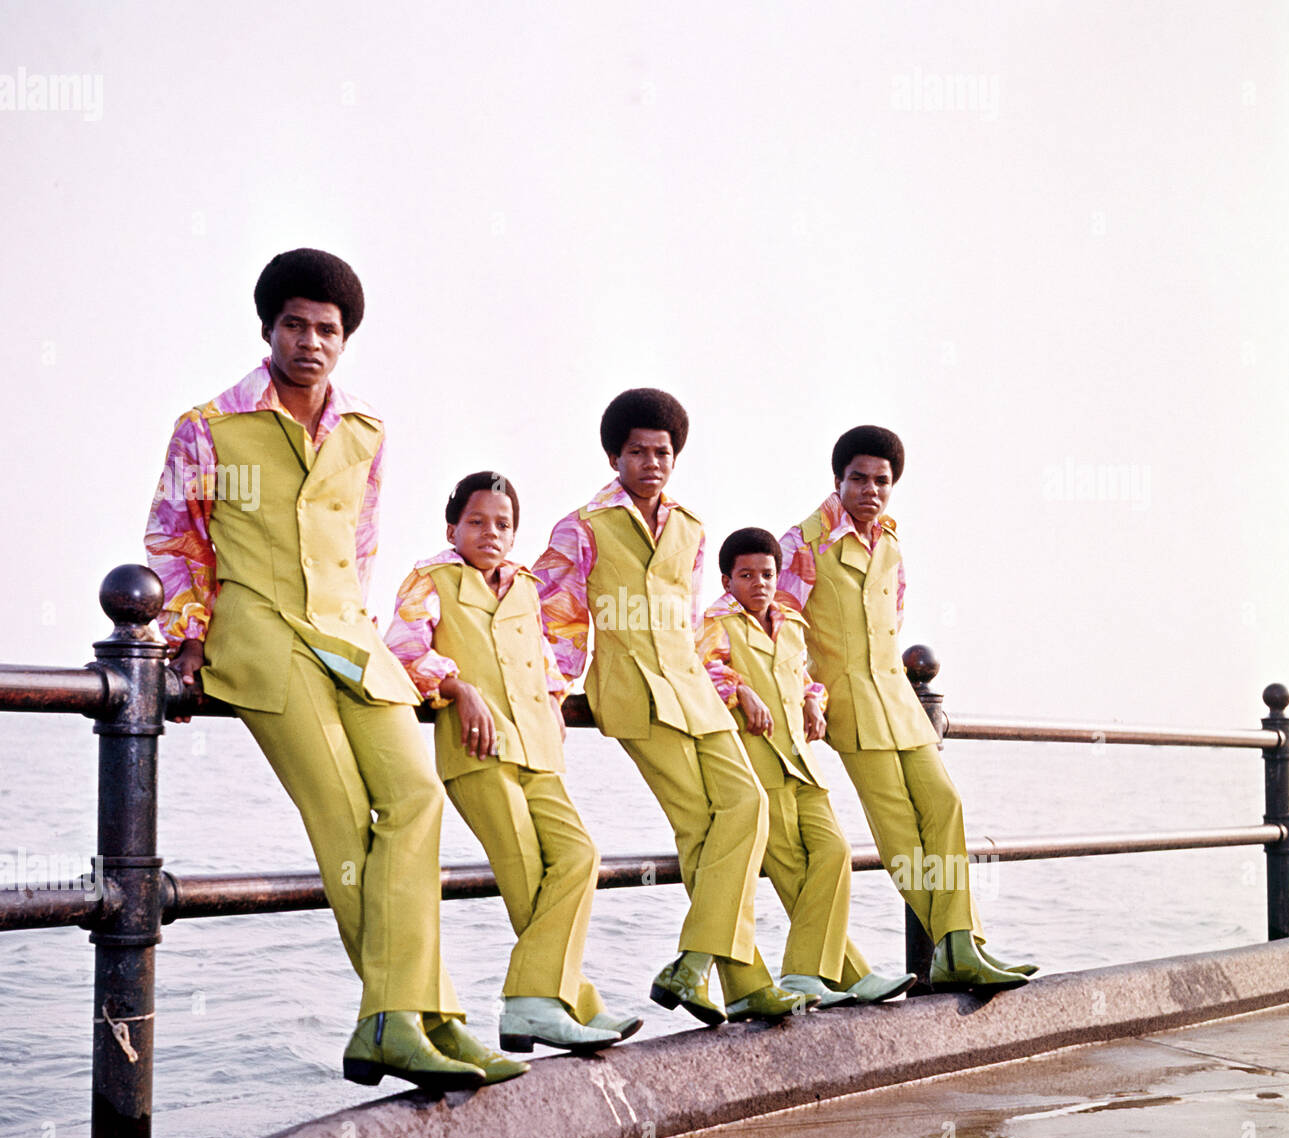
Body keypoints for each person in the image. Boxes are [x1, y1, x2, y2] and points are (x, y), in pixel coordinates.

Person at [144, 248, 525, 1092]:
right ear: (268, 329)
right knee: (349, 824)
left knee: (418, 798)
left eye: (327, 329)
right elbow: (175, 537)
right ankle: (421, 1018)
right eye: (295, 325)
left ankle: (401, 1019)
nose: (310, 341)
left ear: (345, 339)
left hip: (354, 641)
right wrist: (188, 632)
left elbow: (359, 542)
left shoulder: (365, 431)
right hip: (265, 639)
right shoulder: (210, 425)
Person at [533, 388, 809, 1025]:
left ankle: (692, 962)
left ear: (674, 457)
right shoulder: (583, 526)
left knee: (748, 804)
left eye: (662, 452)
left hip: (693, 688)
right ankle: (743, 982)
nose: (651, 462)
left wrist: (722, 682)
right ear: (614, 457)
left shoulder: (690, 526)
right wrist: (552, 691)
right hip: (631, 691)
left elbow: (687, 621)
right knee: (700, 827)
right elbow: (558, 619)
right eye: (637, 452)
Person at [384, 469, 641, 1054]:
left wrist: (554, 698)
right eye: (476, 521)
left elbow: (546, 657)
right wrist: (458, 689)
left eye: (503, 524)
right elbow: (403, 650)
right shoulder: (431, 580)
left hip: (540, 750)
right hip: (478, 752)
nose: (490, 533)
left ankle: (553, 1003)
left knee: (580, 855)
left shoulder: (525, 586)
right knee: (526, 872)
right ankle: (553, 1006)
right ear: (453, 526)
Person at [776, 426, 1038, 991]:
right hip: (845, 703)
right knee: (899, 831)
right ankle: (955, 948)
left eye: (882, 482)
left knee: (945, 802)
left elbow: (891, 622)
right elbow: (783, 628)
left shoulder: (891, 544)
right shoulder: (802, 542)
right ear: (838, 479)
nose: (870, 490)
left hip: (898, 698)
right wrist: (806, 694)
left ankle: (960, 944)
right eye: (859, 479)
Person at [696, 527, 916, 1006]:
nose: (759, 583)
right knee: (793, 869)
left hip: (803, 761)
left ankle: (808, 975)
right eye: (746, 575)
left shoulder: (791, 623)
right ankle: (842, 977)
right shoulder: (716, 621)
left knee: (834, 852)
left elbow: (805, 677)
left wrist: (815, 700)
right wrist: (740, 689)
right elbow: (700, 668)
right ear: (726, 579)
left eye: (767, 574)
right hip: (758, 766)